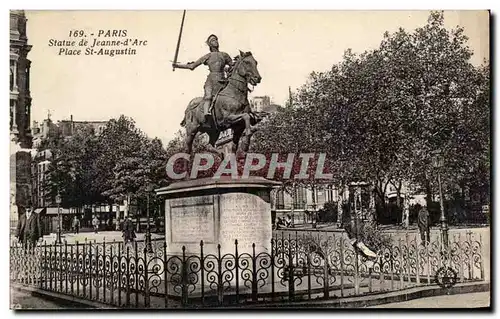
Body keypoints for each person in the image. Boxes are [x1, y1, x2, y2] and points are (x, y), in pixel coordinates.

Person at [173, 34, 234, 120]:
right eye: (213, 40)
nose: (216, 41)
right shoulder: (207, 56)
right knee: (208, 96)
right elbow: (192, 66)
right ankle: (206, 115)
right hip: (211, 82)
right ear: (209, 44)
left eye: (216, 39)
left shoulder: (224, 55)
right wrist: (178, 65)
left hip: (223, 80)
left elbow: (233, 65)